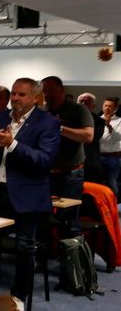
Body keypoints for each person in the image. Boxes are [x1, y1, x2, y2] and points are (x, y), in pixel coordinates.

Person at [0, 78, 59, 306]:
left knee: (24, 248)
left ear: (35, 98)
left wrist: (12, 145)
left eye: (21, 94)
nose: (15, 98)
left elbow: (44, 160)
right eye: (13, 94)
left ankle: (18, 297)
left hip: (26, 195)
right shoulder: (0, 117)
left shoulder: (47, 123)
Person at [41, 75, 93, 237]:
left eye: (51, 90)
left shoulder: (78, 110)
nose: (48, 94)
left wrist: (60, 128)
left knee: (69, 220)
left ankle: (70, 260)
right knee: (43, 218)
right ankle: (45, 258)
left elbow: (88, 136)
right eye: (45, 91)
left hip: (70, 174)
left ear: (62, 90)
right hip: (46, 173)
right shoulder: (43, 112)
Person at [77, 92, 105, 183]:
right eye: (81, 101)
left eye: (87, 102)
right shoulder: (69, 117)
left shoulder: (99, 121)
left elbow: (93, 137)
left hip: (90, 161)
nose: (83, 104)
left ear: (93, 105)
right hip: (71, 161)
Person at [99, 97, 121, 197]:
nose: (107, 108)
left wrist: (108, 125)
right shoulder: (97, 119)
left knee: (112, 182)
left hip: (113, 157)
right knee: (99, 183)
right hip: (98, 156)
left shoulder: (119, 121)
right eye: (105, 105)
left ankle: (114, 207)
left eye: (110, 106)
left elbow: (118, 137)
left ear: (115, 108)